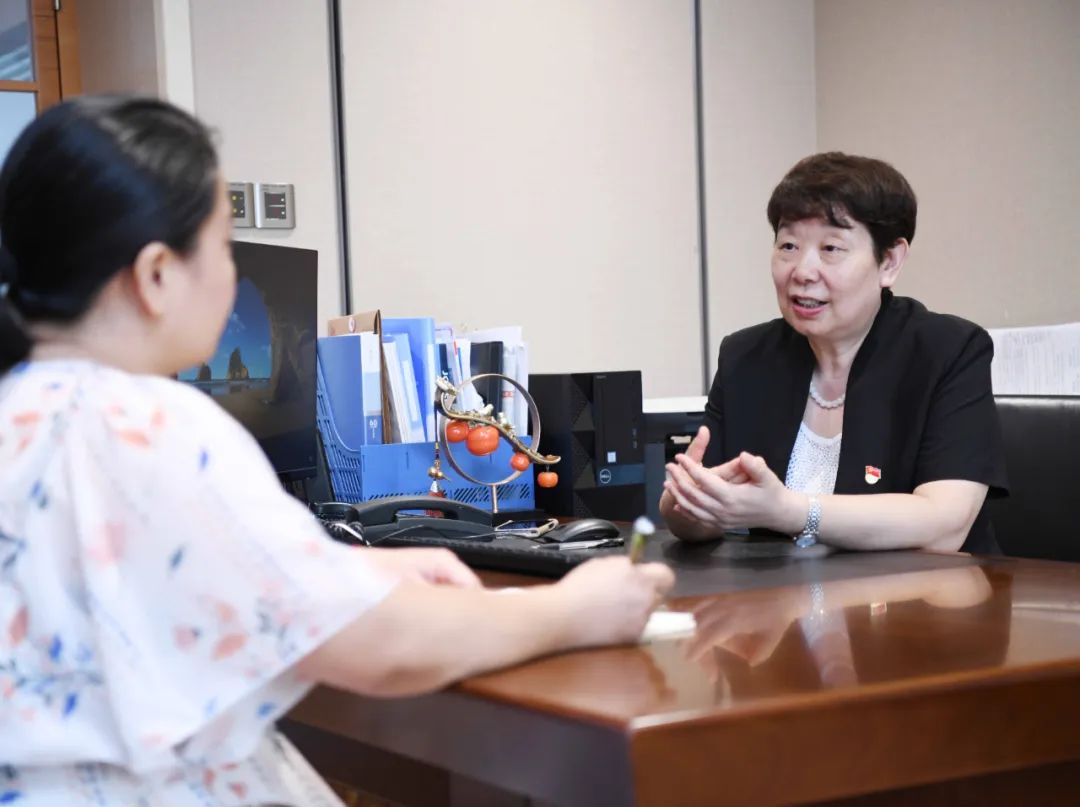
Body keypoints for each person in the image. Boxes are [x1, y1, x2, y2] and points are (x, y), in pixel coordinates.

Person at [0, 96, 674, 805]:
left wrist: (338, 567)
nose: (233, 276)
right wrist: (576, 609)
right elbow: (380, 645)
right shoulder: (153, 428)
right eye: (224, 246)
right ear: (157, 274)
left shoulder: (26, 413)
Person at [660, 152, 1007, 553]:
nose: (803, 272)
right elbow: (692, 518)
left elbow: (944, 525)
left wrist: (790, 511)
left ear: (889, 261)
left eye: (831, 248)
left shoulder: (948, 351)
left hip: (924, 591)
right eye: (788, 245)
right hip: (781, 591)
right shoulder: (746, 358)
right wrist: (689, 502)